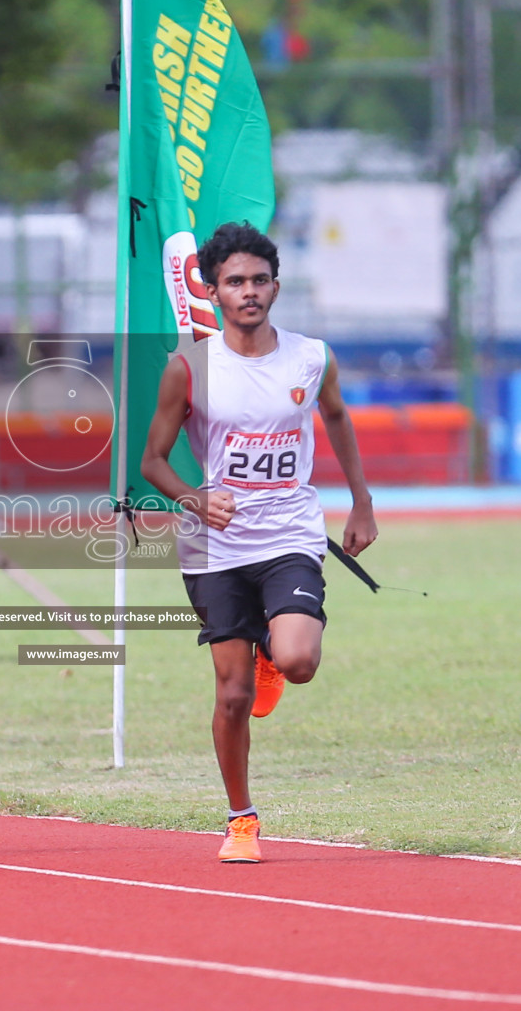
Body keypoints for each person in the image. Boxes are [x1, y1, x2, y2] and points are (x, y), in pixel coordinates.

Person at [140, 221, 377, 864]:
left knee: (298, 660)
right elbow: (153, 462)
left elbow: (336, 416)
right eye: (235, 282)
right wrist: (193, 497)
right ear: (213, 292)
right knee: (232, 694)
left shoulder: (311, 357)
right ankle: (241, 818)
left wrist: (361, 500)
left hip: (290, 533)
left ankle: (274, 648)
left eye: (259, 280)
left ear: (276, 286)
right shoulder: (189, 368)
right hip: (214, 547)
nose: (249, 291)